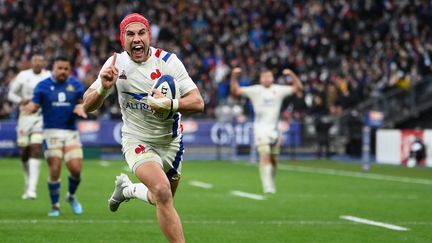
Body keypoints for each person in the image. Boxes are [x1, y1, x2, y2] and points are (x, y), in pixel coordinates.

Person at [82, 13, 204, 243]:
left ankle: (127, 190)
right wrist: (102, 89)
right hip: (137, 140)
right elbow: (87, 105)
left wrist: (170, 104)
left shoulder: (168, 62)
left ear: (149, 35)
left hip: (171, 143)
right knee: (162, 191)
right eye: (130, 34)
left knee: (160, 197)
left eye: (141, 33)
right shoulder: (116, 63)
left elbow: (198, 102)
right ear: (122, 39)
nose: (136, 39)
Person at [23, 56, 87, 217]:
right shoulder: (43, 86)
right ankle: (55, 206)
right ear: (53, 68)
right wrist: (31, 107)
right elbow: (35, 103)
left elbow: (83, 102)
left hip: (71, 132)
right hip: (51, 132)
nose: (63, 72)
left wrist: (81, 107)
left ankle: (71, 196)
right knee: (55, 168)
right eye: (60, 68)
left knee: (76, 170)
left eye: (66, 69)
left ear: (70, 69)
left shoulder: (76, 85)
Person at [230, 67, 303, 193]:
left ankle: (271, 182)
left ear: (272, 78)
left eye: (269, 76)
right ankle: (267, 186)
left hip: (274, 130)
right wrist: (234, 76)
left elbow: (299, 88)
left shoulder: (279, 90)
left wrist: (292, 74)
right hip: (260, 129)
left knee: (274, 159)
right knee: (265, 155)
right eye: (264, 77)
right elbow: (235, 91)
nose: (266, 79)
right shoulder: (256, 90)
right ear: (260, 79)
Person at [8, 54, 51, 199]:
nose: (38, 64)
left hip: (41, 117)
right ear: (31, 63)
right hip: (25, 117)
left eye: (40, 61)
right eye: (35, 61)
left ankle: (32, 188)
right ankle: (27, 183)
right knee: (23, 152)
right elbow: (11, 95)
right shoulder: (22, 76)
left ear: (43, 63)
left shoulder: (48, 76)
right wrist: (21, 100)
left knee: (35, 147)